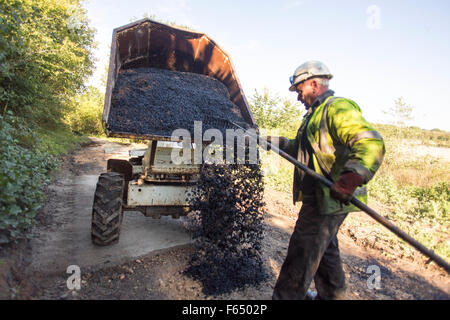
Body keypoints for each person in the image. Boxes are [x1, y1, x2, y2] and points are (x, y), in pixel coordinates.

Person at [267, 60, 385, 300]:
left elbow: (371, 142)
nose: (298, 97)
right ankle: (332, 295)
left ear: (313, 84)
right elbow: (300, 150)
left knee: (301, 255)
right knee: (325, 250)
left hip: (326, 198)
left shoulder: (336, 108)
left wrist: (350, 179)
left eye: (299, 91)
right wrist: (271, 141)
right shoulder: (315, 115)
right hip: (320, 198)